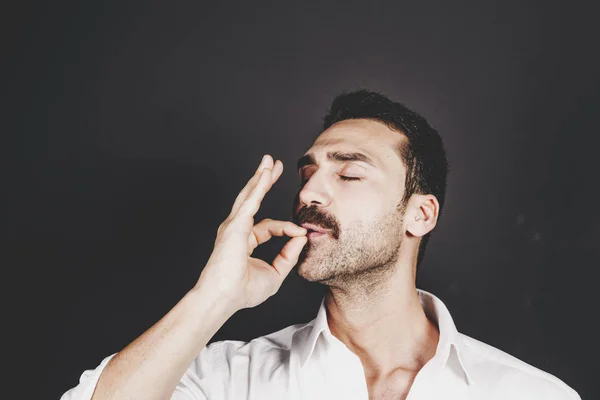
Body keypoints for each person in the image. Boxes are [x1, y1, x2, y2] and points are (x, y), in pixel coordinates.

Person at [61, 90, 580, 400]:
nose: (308, 192)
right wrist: (211, 299)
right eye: (307, 174)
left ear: (420, 215)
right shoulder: (234, 379)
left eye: (349, 173)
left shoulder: (531, 394)